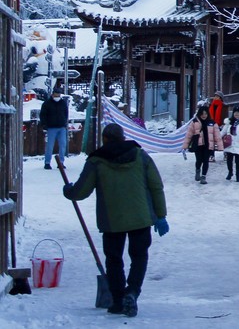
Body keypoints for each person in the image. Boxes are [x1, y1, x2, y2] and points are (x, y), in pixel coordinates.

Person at [63, 123, 168, 318]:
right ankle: (132, 292)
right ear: (122, 137)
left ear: (104, 139)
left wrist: (68, 191)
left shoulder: (96, 160)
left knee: (114, 259)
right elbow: (156, 186)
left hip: (112, 221)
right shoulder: (140, 155)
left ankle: (118, 301)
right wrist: (160, 216)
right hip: (141, 217)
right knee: (139, 256)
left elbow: (81, 191)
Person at [183, 106, 223, 184]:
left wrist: (220, 146)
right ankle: (198, 170)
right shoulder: (194, 122)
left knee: (206, 161)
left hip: (208, 145)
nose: (204, 115)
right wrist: (185, 146)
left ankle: (203, 176)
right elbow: (189, 135)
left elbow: (217, 136)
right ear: (199, 114)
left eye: (205, 113)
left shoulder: (212, 123)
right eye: (202, 114)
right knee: (199, 160)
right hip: (198, 145)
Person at [40, 85, 70, 170]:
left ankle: (61, 162)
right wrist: (44, 124)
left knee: (63, 145)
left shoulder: (63, 103)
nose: (58, 96)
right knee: (50, 146)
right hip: (51, 127)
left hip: (61, 127)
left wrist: (65, 122)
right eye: (56, 94)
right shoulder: (47, 103)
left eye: (59, 95)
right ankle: (47, 162)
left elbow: (66, 113)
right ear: (53, 94)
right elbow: (43, 115)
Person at [221, 107, 239, 181]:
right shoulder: (229, 122)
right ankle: (230, 172)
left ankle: (238, 175)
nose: (237, 114)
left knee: (238, 161)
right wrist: (217, 138)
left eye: (238, 112)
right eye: (235, 112)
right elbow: (223, 132)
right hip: (230, 143)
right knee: (229, 160)